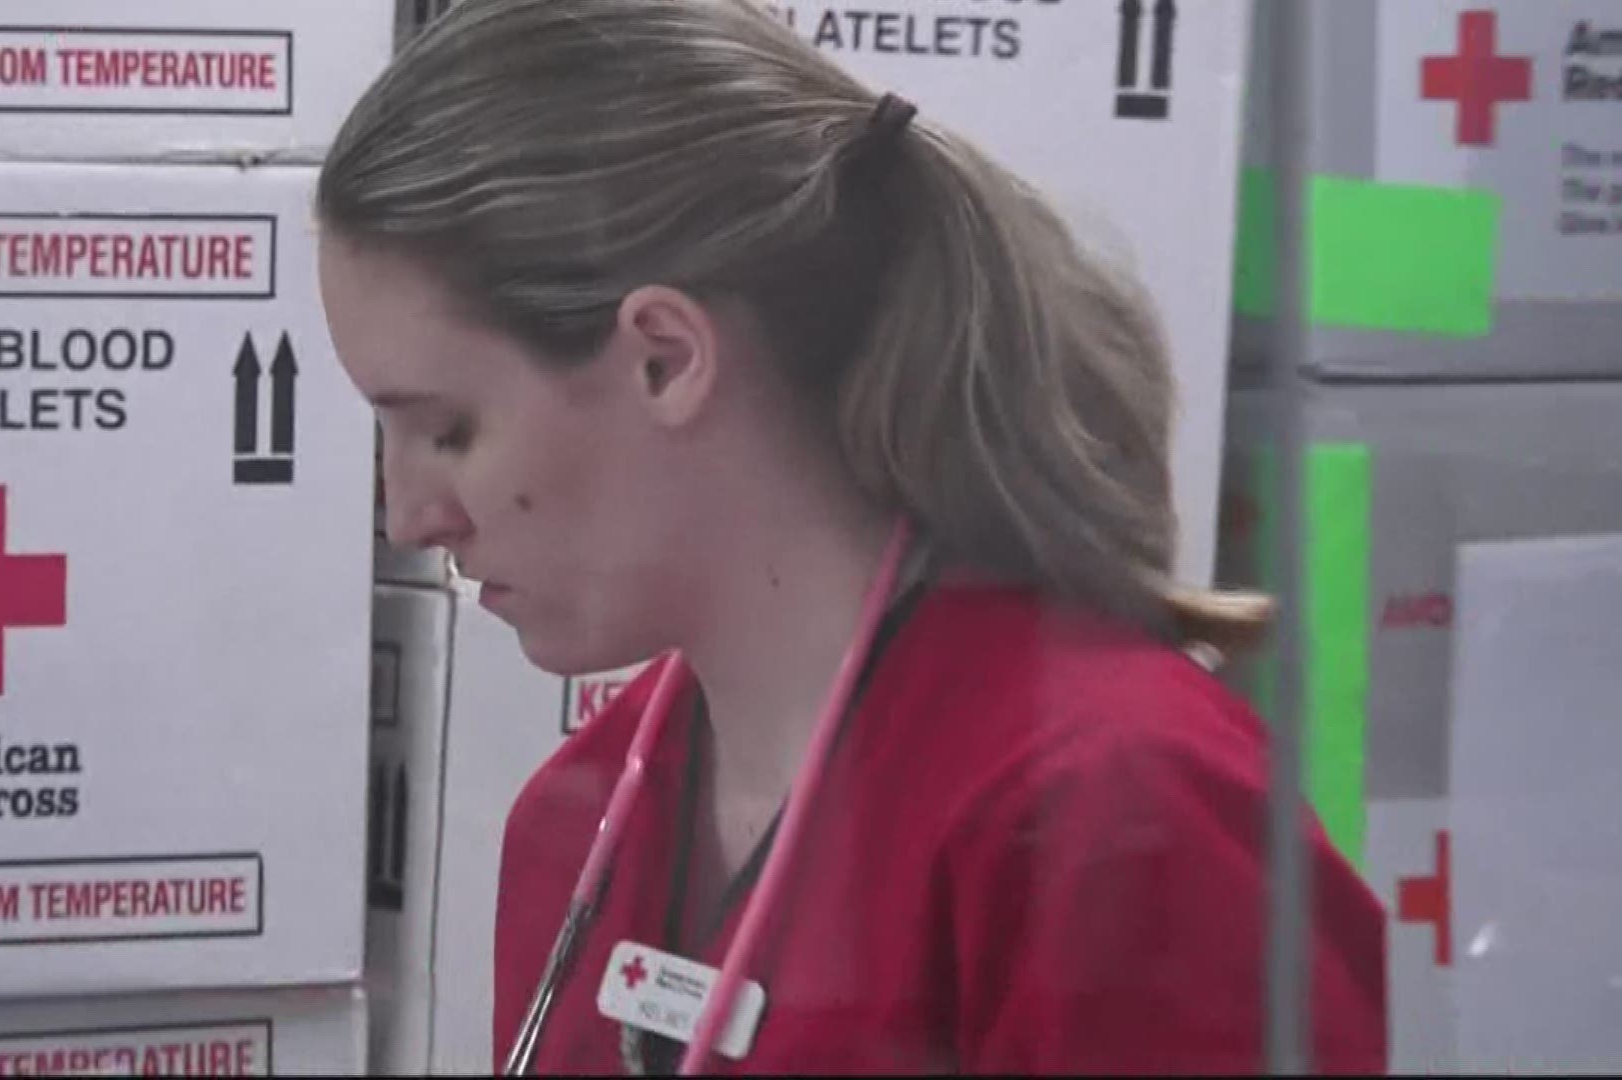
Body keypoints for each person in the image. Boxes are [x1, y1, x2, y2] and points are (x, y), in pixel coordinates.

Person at [314, 0, 1387, 1073]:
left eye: (447, 430)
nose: (412, 516)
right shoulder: (579, 818)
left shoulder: (1118, 816)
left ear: (665, 358)